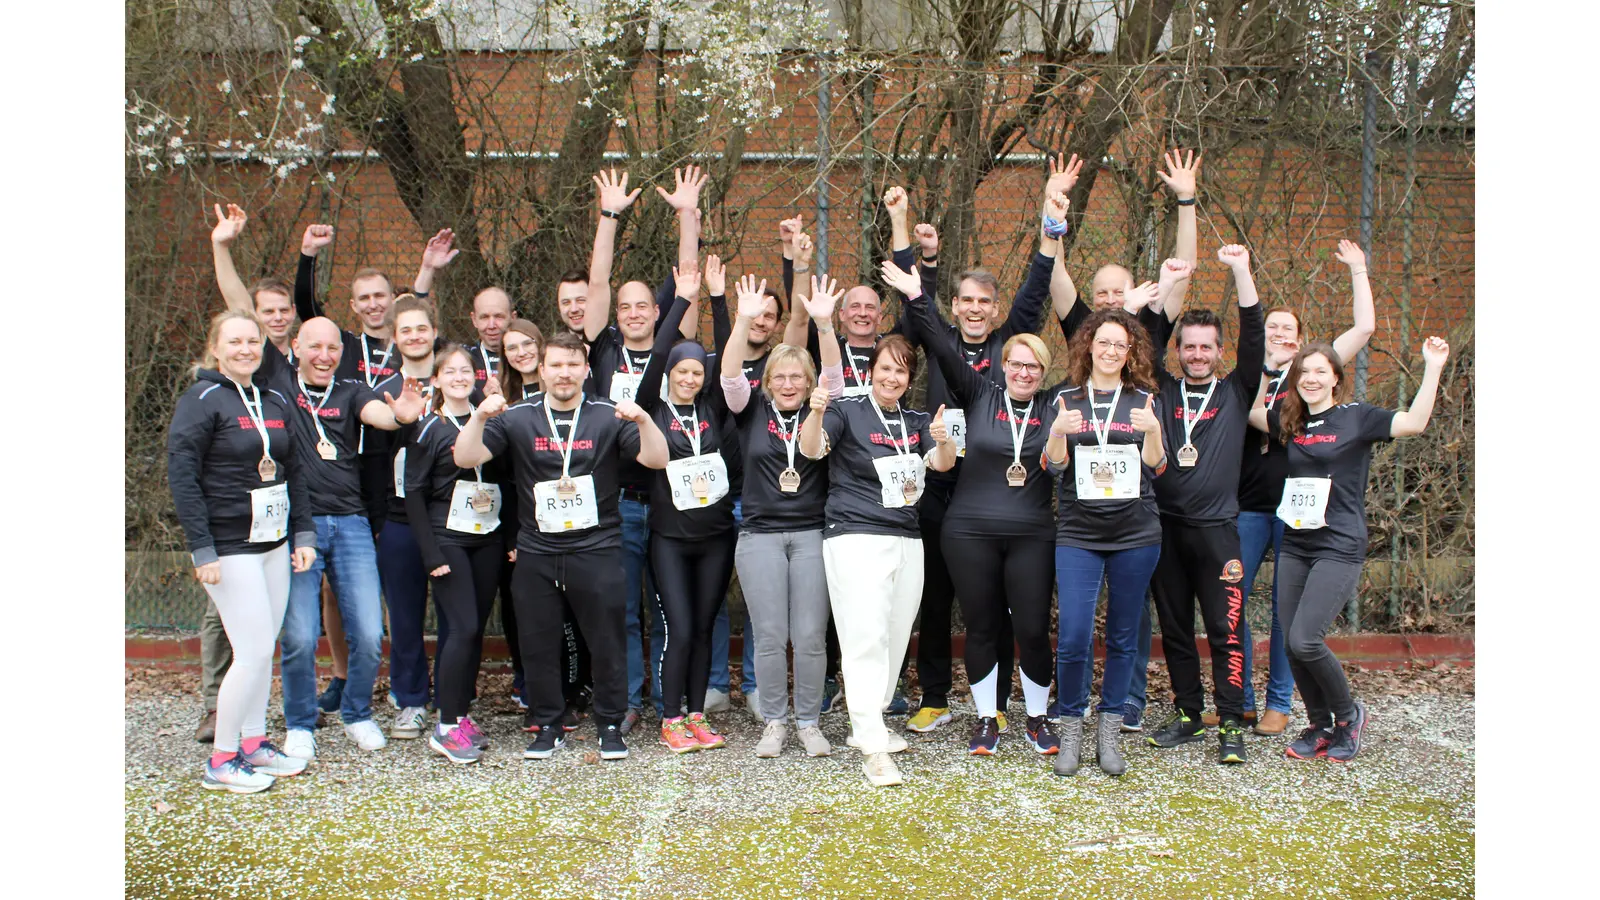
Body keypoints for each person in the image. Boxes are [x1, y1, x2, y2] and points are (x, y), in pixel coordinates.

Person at [889, 167, 1064, 736]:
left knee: (1012, 605)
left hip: (1009, 492)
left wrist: (1050, 224)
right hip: (947, 486)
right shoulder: (947, 353)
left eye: (982, 301)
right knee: (939, 598)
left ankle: (1009, 707)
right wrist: (907, 242)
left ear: (994, 310)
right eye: (963, 300)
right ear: (956, 305)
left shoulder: (1011, 349)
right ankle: (937, 695)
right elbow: (921, 318)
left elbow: (1036, 291)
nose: (972, 308)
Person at [452, 331, 670, 762]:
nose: (564, 373)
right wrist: (478, 418)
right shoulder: (518, 417)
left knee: (607, 640)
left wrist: (644, 420)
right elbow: (464, 458)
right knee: (538, 641)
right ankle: (547, 723)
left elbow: (659, 460)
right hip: (537, 550)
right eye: (556, 365)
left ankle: (610, 723)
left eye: (573, 364)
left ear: (586, 369)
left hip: (598, 546)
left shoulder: (608, 415)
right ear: (542, 369)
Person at [1249, 335, 1450, 762]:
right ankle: (1320, 725)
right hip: (1297, 542)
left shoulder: (1356, 417)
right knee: (1289, 643)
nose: (1312, 379)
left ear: (1337, 378)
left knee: (1305, 639)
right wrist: (1270, 369)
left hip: (1338, 544)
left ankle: (1348, 715)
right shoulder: (1292, 420)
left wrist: (1432, 367)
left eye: (1321, 371)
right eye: (1304, 372)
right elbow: (1251, 413)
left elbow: (1414, 422)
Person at [799, 334, 959, 787]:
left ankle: (868, 721)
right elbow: (812, 450)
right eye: (885, 368)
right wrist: (813, 413)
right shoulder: (845, 409)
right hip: (855, 535)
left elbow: (941, 464)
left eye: (901, 370)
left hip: (907, 536)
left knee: (893, 636)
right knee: (865, 636)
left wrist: (944, 442)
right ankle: (873, 746)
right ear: (871, 370)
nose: (893, 377)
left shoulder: (916, 418)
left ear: (910, 378)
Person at [1231, 239, 1376, 736]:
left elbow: (1364, 328)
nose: (1280, 334)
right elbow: (1239, 411)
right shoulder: (1250, 371)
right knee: (1234, 604)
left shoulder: (1314, 374)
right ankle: (1240, 701)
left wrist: (1358, 269)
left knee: (1287, 618)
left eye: (1289, 330)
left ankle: (1281, 704)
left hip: (1302, 515)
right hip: (1250, 506)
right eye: (1272, 327)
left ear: (1302, 340)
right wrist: (1265, 367)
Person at [167, 311, 316, 792]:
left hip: (273, 543)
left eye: (253, 341)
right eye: (235, 342)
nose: (246, 349)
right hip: (229, 547)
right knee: (250, 653)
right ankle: (222, 759)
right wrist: (201, 550)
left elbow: (295, 469)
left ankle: (252, 744)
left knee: (262, 649)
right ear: (216, 348)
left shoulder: (271, 397)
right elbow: (183, 478)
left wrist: (304, 534)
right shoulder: (201, 399)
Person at [581, 167, 705, 732]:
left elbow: (688, 283)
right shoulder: (603, 349)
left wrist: (687, 215)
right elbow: (599, 284)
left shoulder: (674, 348)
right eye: (625, 306)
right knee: (625, 609)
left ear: (658, 313)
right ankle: (630, 699)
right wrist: (608, 218)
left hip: (671, 498)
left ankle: (671, 699)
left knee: (671, 610)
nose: (632, 312)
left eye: (642, 306)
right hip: (619, 500)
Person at [273, 317, 427, 760]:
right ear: (297, 348)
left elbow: (377, 414)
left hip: (351, 521)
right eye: (315, 347)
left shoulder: (351, 389)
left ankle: (357, 713)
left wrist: (399, 413)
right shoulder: (280, 389)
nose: (324, 356)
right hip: (298, 524)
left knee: (368, 629)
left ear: (343, 352)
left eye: (333, 348)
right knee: (301, 634)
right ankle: (300, 723)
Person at [1138, 247, 1264, 766]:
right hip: (1164, 531)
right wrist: (1167, 285)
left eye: (1205, 347)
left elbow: (1255, 337)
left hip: (1218, 533)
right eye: (1188, 346)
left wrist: (1240, 271)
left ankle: (1231, 720)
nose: (1195, 354)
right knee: (1174, 628)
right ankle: (1189, 712)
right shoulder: (1161, 390)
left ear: (1218, 351)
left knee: (1225, 628)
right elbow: (1144, 344)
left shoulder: (1237, 391)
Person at [721, 272, 845, 757]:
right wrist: (744, 319)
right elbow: (730, 372)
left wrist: (825, 326)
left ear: (809, 383)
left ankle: (810, 721)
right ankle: (774, 721)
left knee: (811, 635)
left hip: (813, 534)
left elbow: (835, 376)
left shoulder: (824, 410)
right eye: (780, 377)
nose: (789, 384)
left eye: (798, 377)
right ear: (768, 383)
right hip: (760, 537)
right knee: (771, 635)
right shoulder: (750, 409)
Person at [1042, 309, 1167, 777]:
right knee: (1073, 634)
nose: (1111, 351)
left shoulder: (1143, 400)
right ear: (1088, 347)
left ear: (1130, 351)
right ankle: (1072, 725)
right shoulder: (1067, 398)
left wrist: (1153, 433)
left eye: (1121, 344)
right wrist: (1058, 432)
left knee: (1122, 636)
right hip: (1079, 531)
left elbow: (1156, 465)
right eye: (1104, 343)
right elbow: (1052, 466)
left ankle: (1109, 733)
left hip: (1136, 532)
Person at [201, 201, 302, 742]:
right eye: (260, 320)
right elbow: (237, 305)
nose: (271, 322)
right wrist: (222, 246)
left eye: (283, 312)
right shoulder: (231, 382)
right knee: (238, 633)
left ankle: (252, 738)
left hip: (278, 518)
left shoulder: (299, 357)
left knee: (263, 636)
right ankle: (218, 720)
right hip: (231, 527)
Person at [633, 267, 743, 752]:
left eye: (697, 372)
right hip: (671, 539)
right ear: (670, 375)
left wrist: (720, 302)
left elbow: (724, 354)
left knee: (702, 625)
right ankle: (670, 715)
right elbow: (657, 353)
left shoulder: (712, 408)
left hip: (716, 535)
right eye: (682, 372)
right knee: (677, 627)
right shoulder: (651, 408)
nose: (690, 378)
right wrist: (681, 300)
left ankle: (696, 714)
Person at [404, 345, 507, 763]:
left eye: (467, 371)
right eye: (451, 372)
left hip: (487, 534)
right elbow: (412, 491)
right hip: (448, 537)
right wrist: (430, 553)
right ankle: (445, 726)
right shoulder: (428, 427)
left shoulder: (493, 421)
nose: (460, 378)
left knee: (474, 629)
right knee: (461, 628)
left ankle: (461, 715)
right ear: (437, 380)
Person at [367, 296, 448, 740]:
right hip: (398, 519)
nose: (415, 336)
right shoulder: (381, 388)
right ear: (394, 338)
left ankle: (455, 701)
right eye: (406, 330)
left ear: (435, 332)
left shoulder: (457, 381)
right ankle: (412, 700)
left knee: (456, 616)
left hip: (449, 519)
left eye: (422, 328)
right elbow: (374, 459)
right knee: (404, 616)